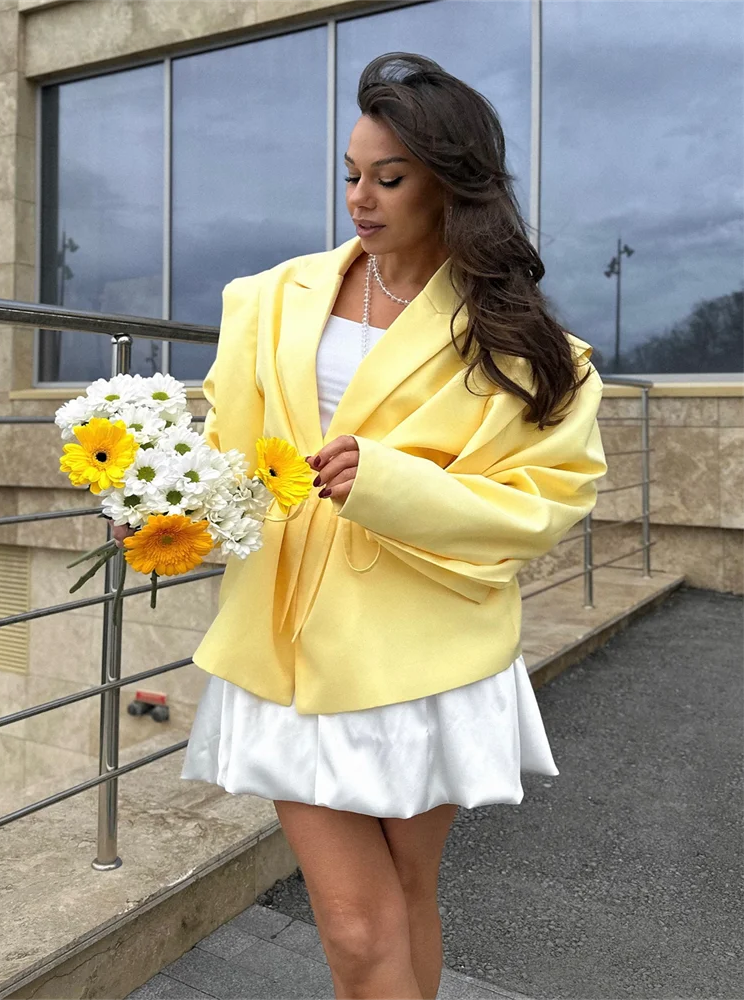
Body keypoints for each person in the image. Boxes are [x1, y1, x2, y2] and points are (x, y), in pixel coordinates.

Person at [114, 52, 607, 1000]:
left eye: (390, 177)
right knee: (352, 919)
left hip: (429, 646)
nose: (360, 198)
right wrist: (162, 492)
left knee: (404, 895)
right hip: (292, 641)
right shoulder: (267, 298)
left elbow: (546, 504)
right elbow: (230, 444)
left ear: (453, 186)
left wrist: (387, 484)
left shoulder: (524, 343)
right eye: (350, 174)